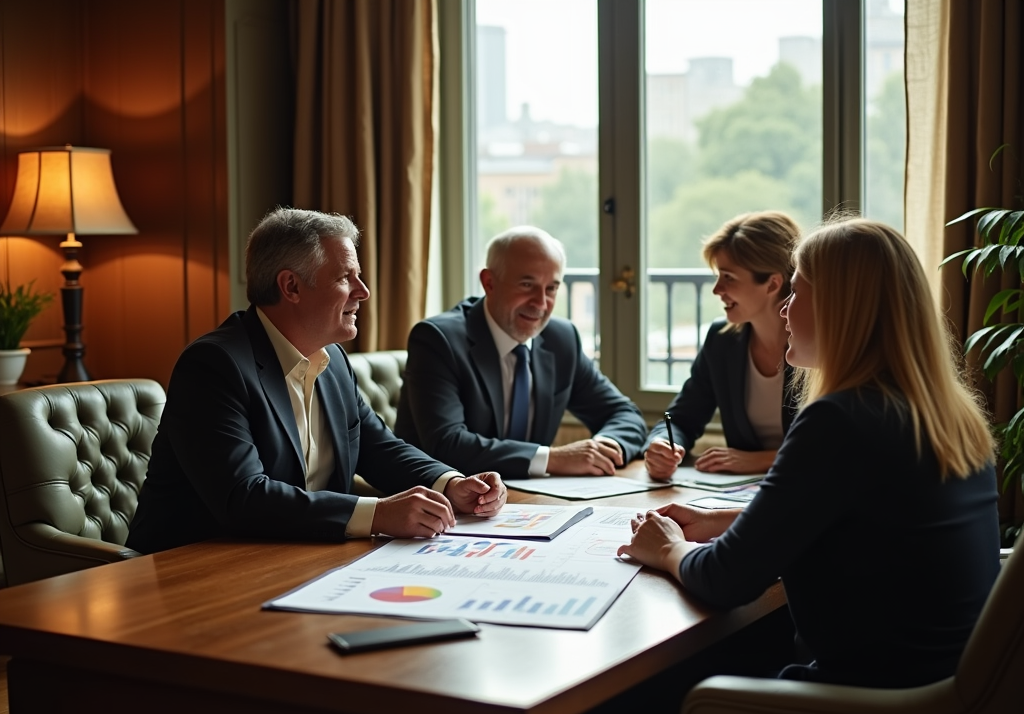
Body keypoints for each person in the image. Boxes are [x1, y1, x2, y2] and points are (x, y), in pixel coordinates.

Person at [620, 218, 1000, 689]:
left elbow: (725, 580)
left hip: (869, 709)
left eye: (796, 294)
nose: (785, 311)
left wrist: (666, 548)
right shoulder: (946, 413)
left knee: (654, 700)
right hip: (947, 698)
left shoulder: (841, 419)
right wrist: (730, 520)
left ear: (842, 308)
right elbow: (860, 523)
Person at [127, 207, 506, 554]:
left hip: (295, 555)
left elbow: (377, 447)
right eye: (346, 277)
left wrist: (450, 484)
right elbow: (243, 497)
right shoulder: (214, 365)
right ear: (291, 287)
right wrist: (376, 514)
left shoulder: (333, 359)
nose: (363, 292)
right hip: (193, 568)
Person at [394, 225, 648, 479]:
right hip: (439, 502)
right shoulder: (438, 340)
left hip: (527, 501)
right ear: (489, 283)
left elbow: (625, 415)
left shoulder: (561, 339)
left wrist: (604, 449)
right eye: (527, 284)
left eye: (551, 289)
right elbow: (447, 444)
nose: (541, 303)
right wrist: (553, 458)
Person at [646, 211, 800, 480]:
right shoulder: (722, 340)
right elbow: (681, 418)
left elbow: (840, 444)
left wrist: (762, 460)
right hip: (741, 494)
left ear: (772, 283)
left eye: (728, 277)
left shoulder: (817, 345)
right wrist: (662, 445)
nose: (717, 289)